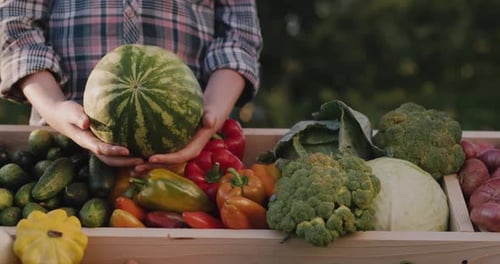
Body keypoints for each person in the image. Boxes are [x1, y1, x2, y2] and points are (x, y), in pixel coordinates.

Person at [0, 1, 263, 173]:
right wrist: (54, 107)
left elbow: (238, 36)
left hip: (190, 159)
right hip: (63, 152)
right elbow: (16, 25)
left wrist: (212, 113)